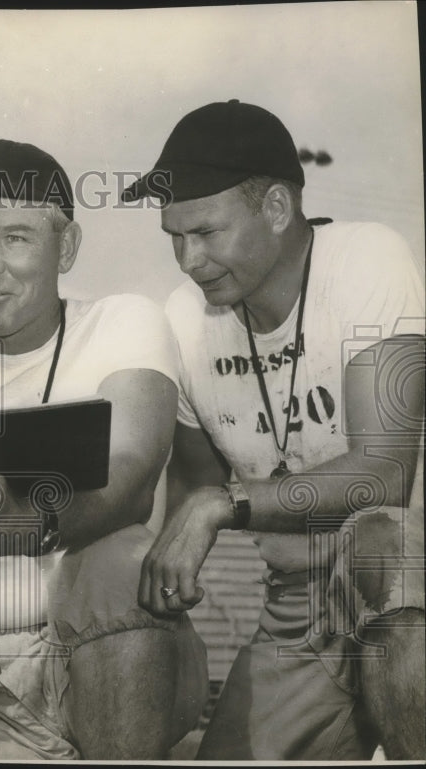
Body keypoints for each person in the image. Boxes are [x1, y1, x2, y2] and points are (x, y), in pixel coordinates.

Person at [0, 139, 208, 759]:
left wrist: (7, 529)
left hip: (112, 640)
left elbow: (128, 479)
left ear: (66, 247)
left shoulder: (121, 321)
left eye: (16, 237)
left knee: (117, 562)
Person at [125, 99, 425, 760]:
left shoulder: (365, 259)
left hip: (402, 572)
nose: (187, 258)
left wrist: (223, 504)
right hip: (297, 600)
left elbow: (386, 473)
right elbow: (190, 500)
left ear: (279, 208)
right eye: (174, 236)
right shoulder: (186, 316)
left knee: (389, 550)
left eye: (205, 231)